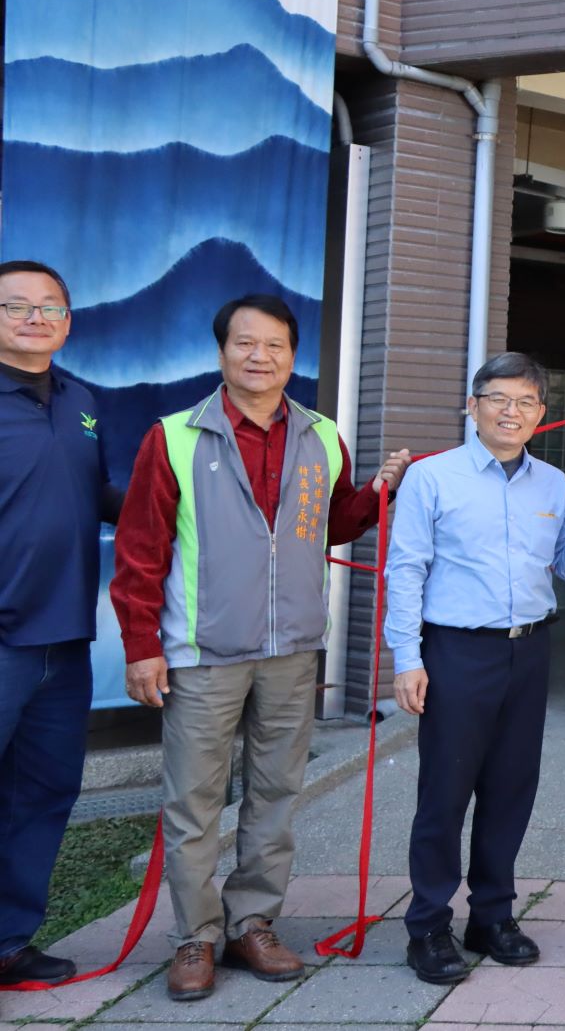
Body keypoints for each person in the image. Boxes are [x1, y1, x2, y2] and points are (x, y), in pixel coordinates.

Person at [109, 295, 409, 1002]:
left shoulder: (322, 434)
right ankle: (195, 936)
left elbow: (329, 523)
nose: (260, 356)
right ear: (222, 352)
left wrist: (377, 492)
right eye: (246, 343)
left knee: (275, 795)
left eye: (274, 345)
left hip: (292, 651)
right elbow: (140, 549)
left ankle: (254, 922)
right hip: (203, 653)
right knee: (194, 801)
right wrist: (141, 646)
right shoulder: (175, 436)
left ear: (292, 355)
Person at [385, 352, 565, 984]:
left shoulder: (552, 484)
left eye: (526, 402)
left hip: (529, 649)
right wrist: (408, 658)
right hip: (456, 651)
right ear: (473, 406)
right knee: (445, 792)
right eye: (499, 399)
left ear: (541, 413)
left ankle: (492, 916)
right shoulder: (432, 478)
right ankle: (427, 924)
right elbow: (406, 570)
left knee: (511, 788)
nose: (512, 412)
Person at [0, 261, 122, 986]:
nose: (35, 317)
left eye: (50, 306)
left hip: (65, 637)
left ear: (69, 321)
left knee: (42, 792)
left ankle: (9, 941)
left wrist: (177, 511)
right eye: (16, 305)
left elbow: (95, 490)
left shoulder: (81, 398)